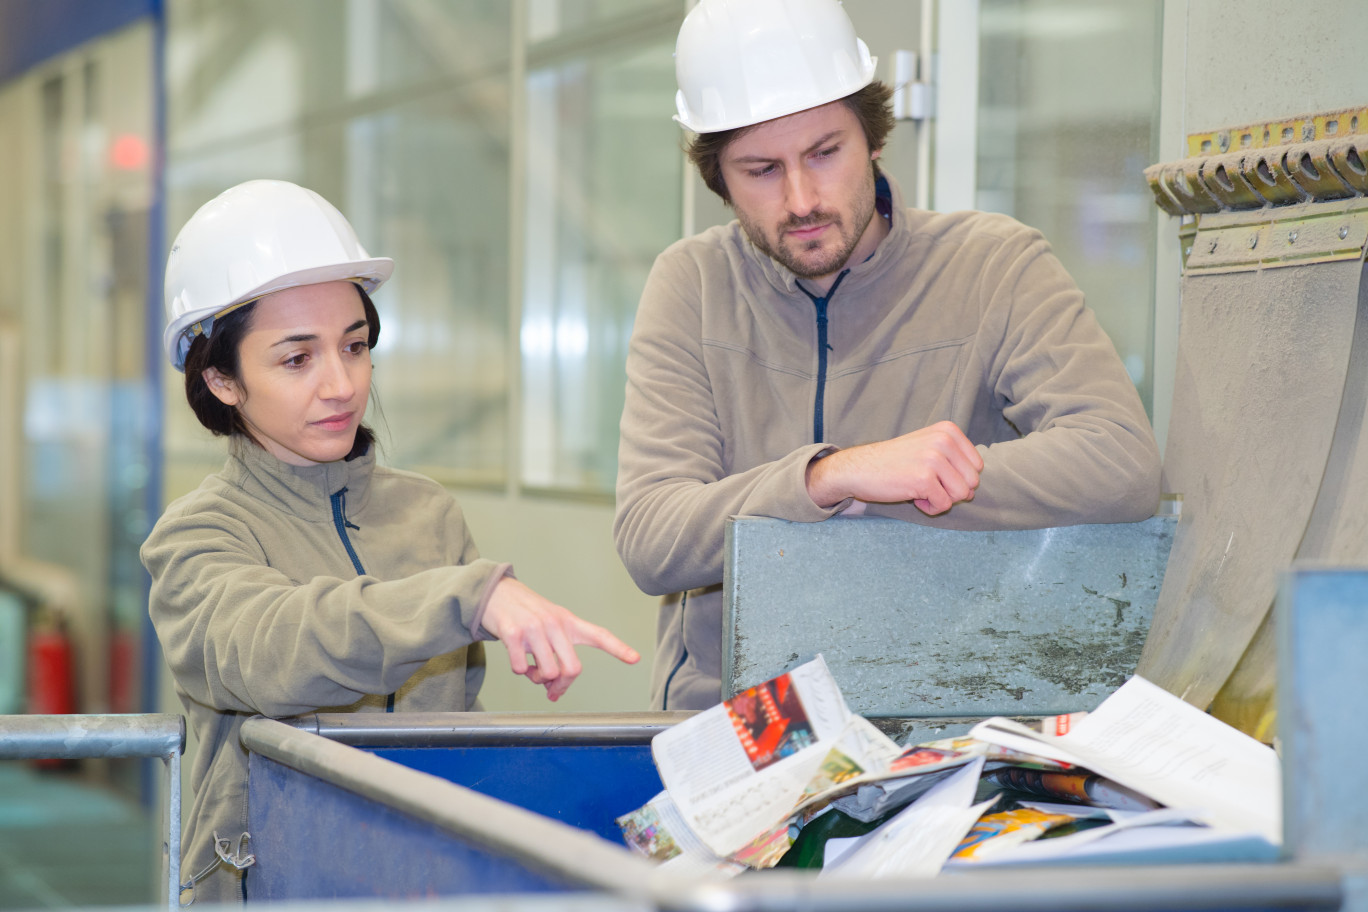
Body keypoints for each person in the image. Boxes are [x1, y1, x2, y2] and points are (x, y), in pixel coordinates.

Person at [613, 0, 1162, 711]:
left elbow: (1120, 462)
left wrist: (927, 479)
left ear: (872, 139)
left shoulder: (996, 265)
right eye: (761, 169)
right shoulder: (691, 284)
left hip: (950, 712)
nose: (802, 199)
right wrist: (832, 477)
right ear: (719, 178)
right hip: (734, 722)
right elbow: (653, 535)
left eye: (824, 153)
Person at [142, 179, 640, 904]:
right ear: (221, 377)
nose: (342, 384)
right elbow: (274, 648)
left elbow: (455, 726)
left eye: (355, 346)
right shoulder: (197, 536)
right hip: (275, 884)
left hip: (425, 884)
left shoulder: (427, 515)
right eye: (296, 358)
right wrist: (470, 598)